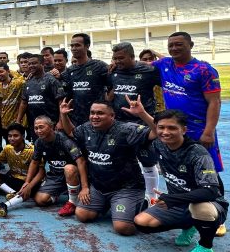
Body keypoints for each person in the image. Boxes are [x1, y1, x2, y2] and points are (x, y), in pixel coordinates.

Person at [132, 109, 229, 252]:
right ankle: (190, 224)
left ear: (184, 130)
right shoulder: (159, 144)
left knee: (200, 208)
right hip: (179, 203)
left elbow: (211, 191)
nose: (165, 132)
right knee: (141, 222)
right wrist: (142, 113)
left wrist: (173, 199)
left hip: (209, 203)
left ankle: (205, 246)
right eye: (161, 128)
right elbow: (153, 130)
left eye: (172, 128)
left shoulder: (198, 153)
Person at [152, 31, 225, 235]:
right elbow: (141, 65)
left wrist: (209, 131)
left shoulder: (204, 70)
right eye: (171, 45)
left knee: (209, 173)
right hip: (174, 129)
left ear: (191, 45)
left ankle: (218, 214)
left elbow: (215, 102)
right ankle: (189, 214)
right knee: (179, 171)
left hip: (200, 130)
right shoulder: (164, 65)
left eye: (179, 44)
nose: (174, 48)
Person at [60, 99, 157, 235]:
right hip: (99, 187)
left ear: (112, 116)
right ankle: (109, 204)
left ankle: (141, 203)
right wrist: (64, 115)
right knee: (82, 215)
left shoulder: (126, 129)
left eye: (100, 113)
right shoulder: (87, 128)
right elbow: (71, 132)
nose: (95, 116)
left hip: (126, 188)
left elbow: (156, 132)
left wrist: (142, 114)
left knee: (122, 228)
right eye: (92, 113)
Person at [107, 42, 162, 202]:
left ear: (132, 56)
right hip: (119, 125)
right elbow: (109, 91)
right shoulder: (113, 71)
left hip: (143, 124)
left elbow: (170, 76)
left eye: (121, 58)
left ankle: (152, 198)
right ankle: (128, 193)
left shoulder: (148, 70)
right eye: (115, 58)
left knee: (147, 161)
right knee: (121, 160)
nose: (117, 61)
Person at [22, 116, 89, 217]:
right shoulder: (39, 142)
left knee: (69, 168)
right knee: (40, 200)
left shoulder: (65, 140)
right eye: (36, 128)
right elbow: (34, 162)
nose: (38, 131)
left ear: (51, 127)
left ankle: (72, 202)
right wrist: (27, 182)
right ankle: (61, 192)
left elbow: (81, 162)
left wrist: (85, 187)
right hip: (55, 176)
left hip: (73, 175)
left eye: (41, 127)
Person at [0, 123, 41, 217]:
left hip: (30, 182)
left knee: (33, 190)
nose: (12, 138)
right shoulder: (8, 148)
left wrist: (29, 185)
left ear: (23, 136)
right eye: (9, 136)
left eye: (15, 136)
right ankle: (13, 193)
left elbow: (41, 172)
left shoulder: (32, 150)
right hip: (14, 179)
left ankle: (5, 204)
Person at [63, 33, 109, 126]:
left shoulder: (99, 66)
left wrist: (106, 104)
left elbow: (112, 87)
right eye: (72, 46)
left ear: (87, 46)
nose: (74, 48)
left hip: (96, 118)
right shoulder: (69, 70)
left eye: (77, 45)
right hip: (76, 120)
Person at [16, 54, 65, 141]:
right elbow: (24, 102)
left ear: (42, 64)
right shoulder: (28, 82)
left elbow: (61, 102)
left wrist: (61, 122)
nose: (31, 66)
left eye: (34, 63)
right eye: (29, 64)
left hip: (51, 124)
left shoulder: (52, 80)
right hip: (34, 126)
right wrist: (18, 120)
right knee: (37, 145)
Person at [0, 63, 24, 144]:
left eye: (1, 71)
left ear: (8, 71)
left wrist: (18, 120)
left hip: (17, 121)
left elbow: (24, 101)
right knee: (8, 145)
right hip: (4, 123)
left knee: (19, 144)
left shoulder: (18, 83)